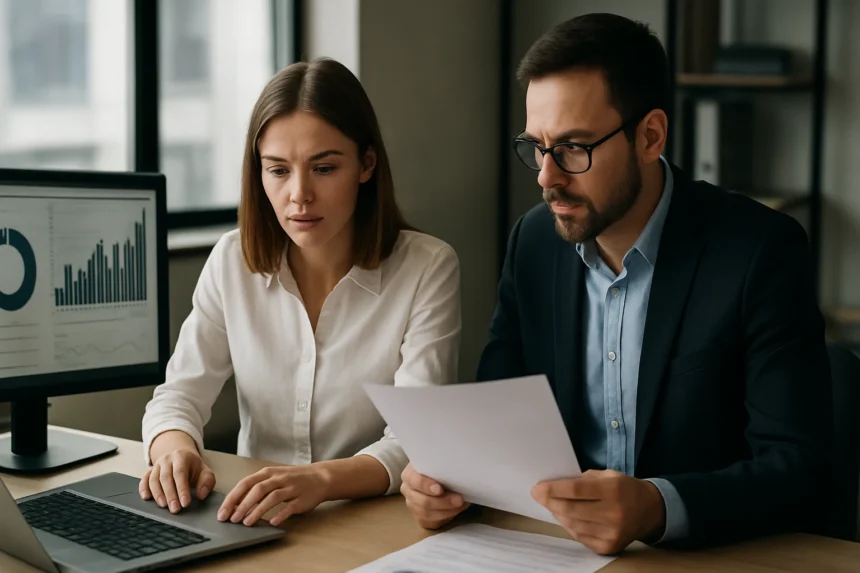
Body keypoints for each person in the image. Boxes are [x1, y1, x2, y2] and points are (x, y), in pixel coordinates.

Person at [400, 13, 833, 554]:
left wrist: (656, 506)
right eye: (536, 146)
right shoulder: (533, 243)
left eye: (573, 149)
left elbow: (800, 469)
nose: (545, 177)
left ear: (650, 136)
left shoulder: (760, 251)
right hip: (555, 553)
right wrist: (445, 482)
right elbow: (496, 420)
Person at [140, 57, 461, 528]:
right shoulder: (232, 261)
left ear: (366, 164)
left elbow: (417, 438)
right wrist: (173, 449)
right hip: (253, 519)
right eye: (278, 171)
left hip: (370, 522)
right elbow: (177, 397)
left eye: (324, 168)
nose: (299, 195)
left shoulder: (427, 267)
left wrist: (322, 481)